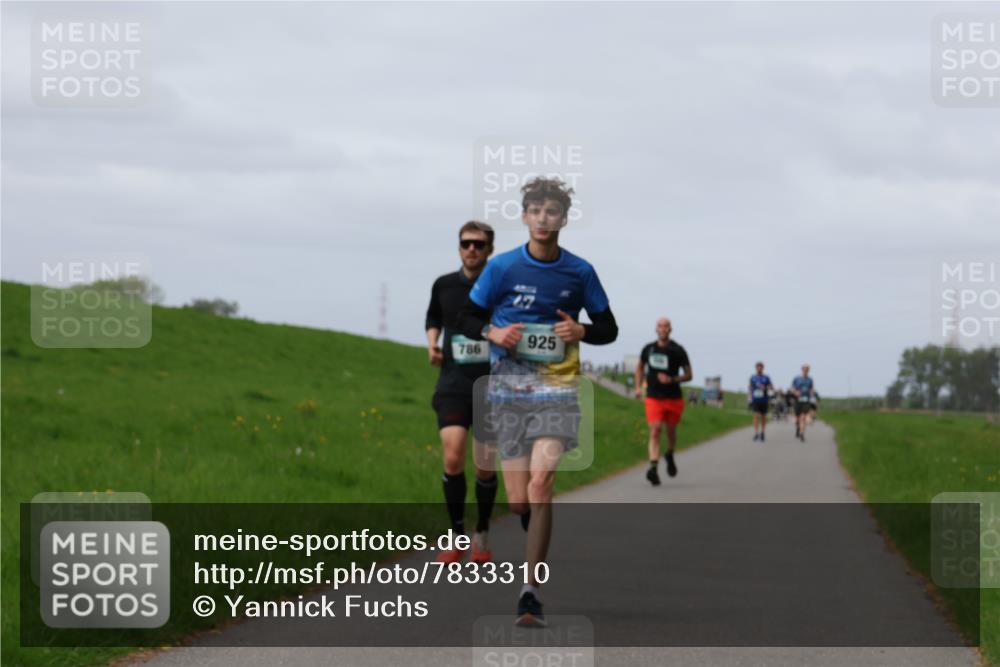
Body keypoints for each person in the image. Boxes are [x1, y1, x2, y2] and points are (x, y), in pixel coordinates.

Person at [458, 176, 618, 627]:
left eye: (552, 212)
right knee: (519, 501)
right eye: (536, 211)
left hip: (558, 391)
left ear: (563, 219)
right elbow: (467, 316)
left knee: (542, 483)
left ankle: (529, 592)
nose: (544, 219)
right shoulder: (502, 268)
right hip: (509, 392)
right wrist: (493, 331)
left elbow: (609, 329)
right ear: (525, 216)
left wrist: (582, 331)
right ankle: (534, 527)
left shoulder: (580, 272)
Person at [425, 221, 498, 564]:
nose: (472, 249)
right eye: (466, 243)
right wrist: (432, 345)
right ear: (459, 248)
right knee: (453, 455)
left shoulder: (499, 288)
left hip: (489, 386)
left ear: (489, 251)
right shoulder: (443, 284)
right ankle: (455, 537)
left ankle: (481, 532)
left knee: (484, 465)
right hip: (452, 383)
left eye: (479, 245)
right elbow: (432, 317)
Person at [634, 318, 693, 485]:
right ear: (656, 329)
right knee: (655, 430)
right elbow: (639, 367)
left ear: (670, 329)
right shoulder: (648, 349)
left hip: (673, 397)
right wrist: (638, 387)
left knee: (671, 432)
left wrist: (672, 379)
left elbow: (689, 375)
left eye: (666, 326)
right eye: (660, 326)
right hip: (653, 396)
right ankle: (653, 468)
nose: (663, 328)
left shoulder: (678, 350)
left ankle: (669, 453)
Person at [748, 362, 773, 441]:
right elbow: (750, 387)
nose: (759, 368)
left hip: (764, 400)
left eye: (760, 367)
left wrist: (766, 387)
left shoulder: (766, 377)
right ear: (756, 368)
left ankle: (762, 432)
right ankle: (756, 433)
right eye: (758, 367)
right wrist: (749, 396)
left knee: (763, 417)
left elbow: (771, 386)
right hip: (755, 399)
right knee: (756, 416)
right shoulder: (753, 377)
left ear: (763, 368)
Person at [791, 364, 816, 441]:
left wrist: (812, 392)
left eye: (807, 369)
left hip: (806, 401)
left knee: (803, 417)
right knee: (797, 418)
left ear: (808, 370)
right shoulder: (796, 378)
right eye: (804, 369)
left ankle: (802, 434)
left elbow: (812, 388)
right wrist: (795, 392)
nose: (805, 370)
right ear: (802, 370)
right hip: (798, 401)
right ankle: (798, 428)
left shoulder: (810, 379)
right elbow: (791, 388)